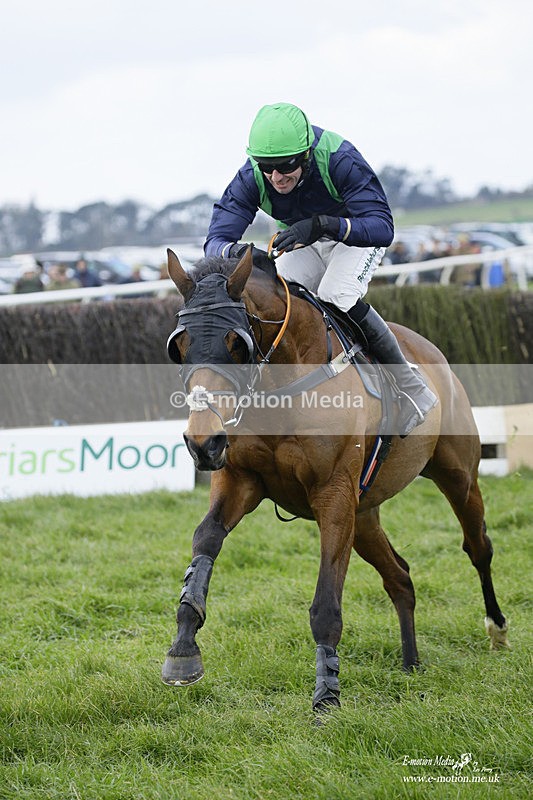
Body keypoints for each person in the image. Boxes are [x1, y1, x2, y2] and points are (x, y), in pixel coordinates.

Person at [204, 102, 437, 436]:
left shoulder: (340, 159)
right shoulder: (252, 175)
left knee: (336, 294)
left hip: (355, 236)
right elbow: (215, 240)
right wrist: (240, 251)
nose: (276, 177)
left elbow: (382, 227)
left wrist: (325, 225)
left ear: (307, 155)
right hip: (305, 240)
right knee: (276, 295)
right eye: (267, 168)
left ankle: (409, 384)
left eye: (285, 167)